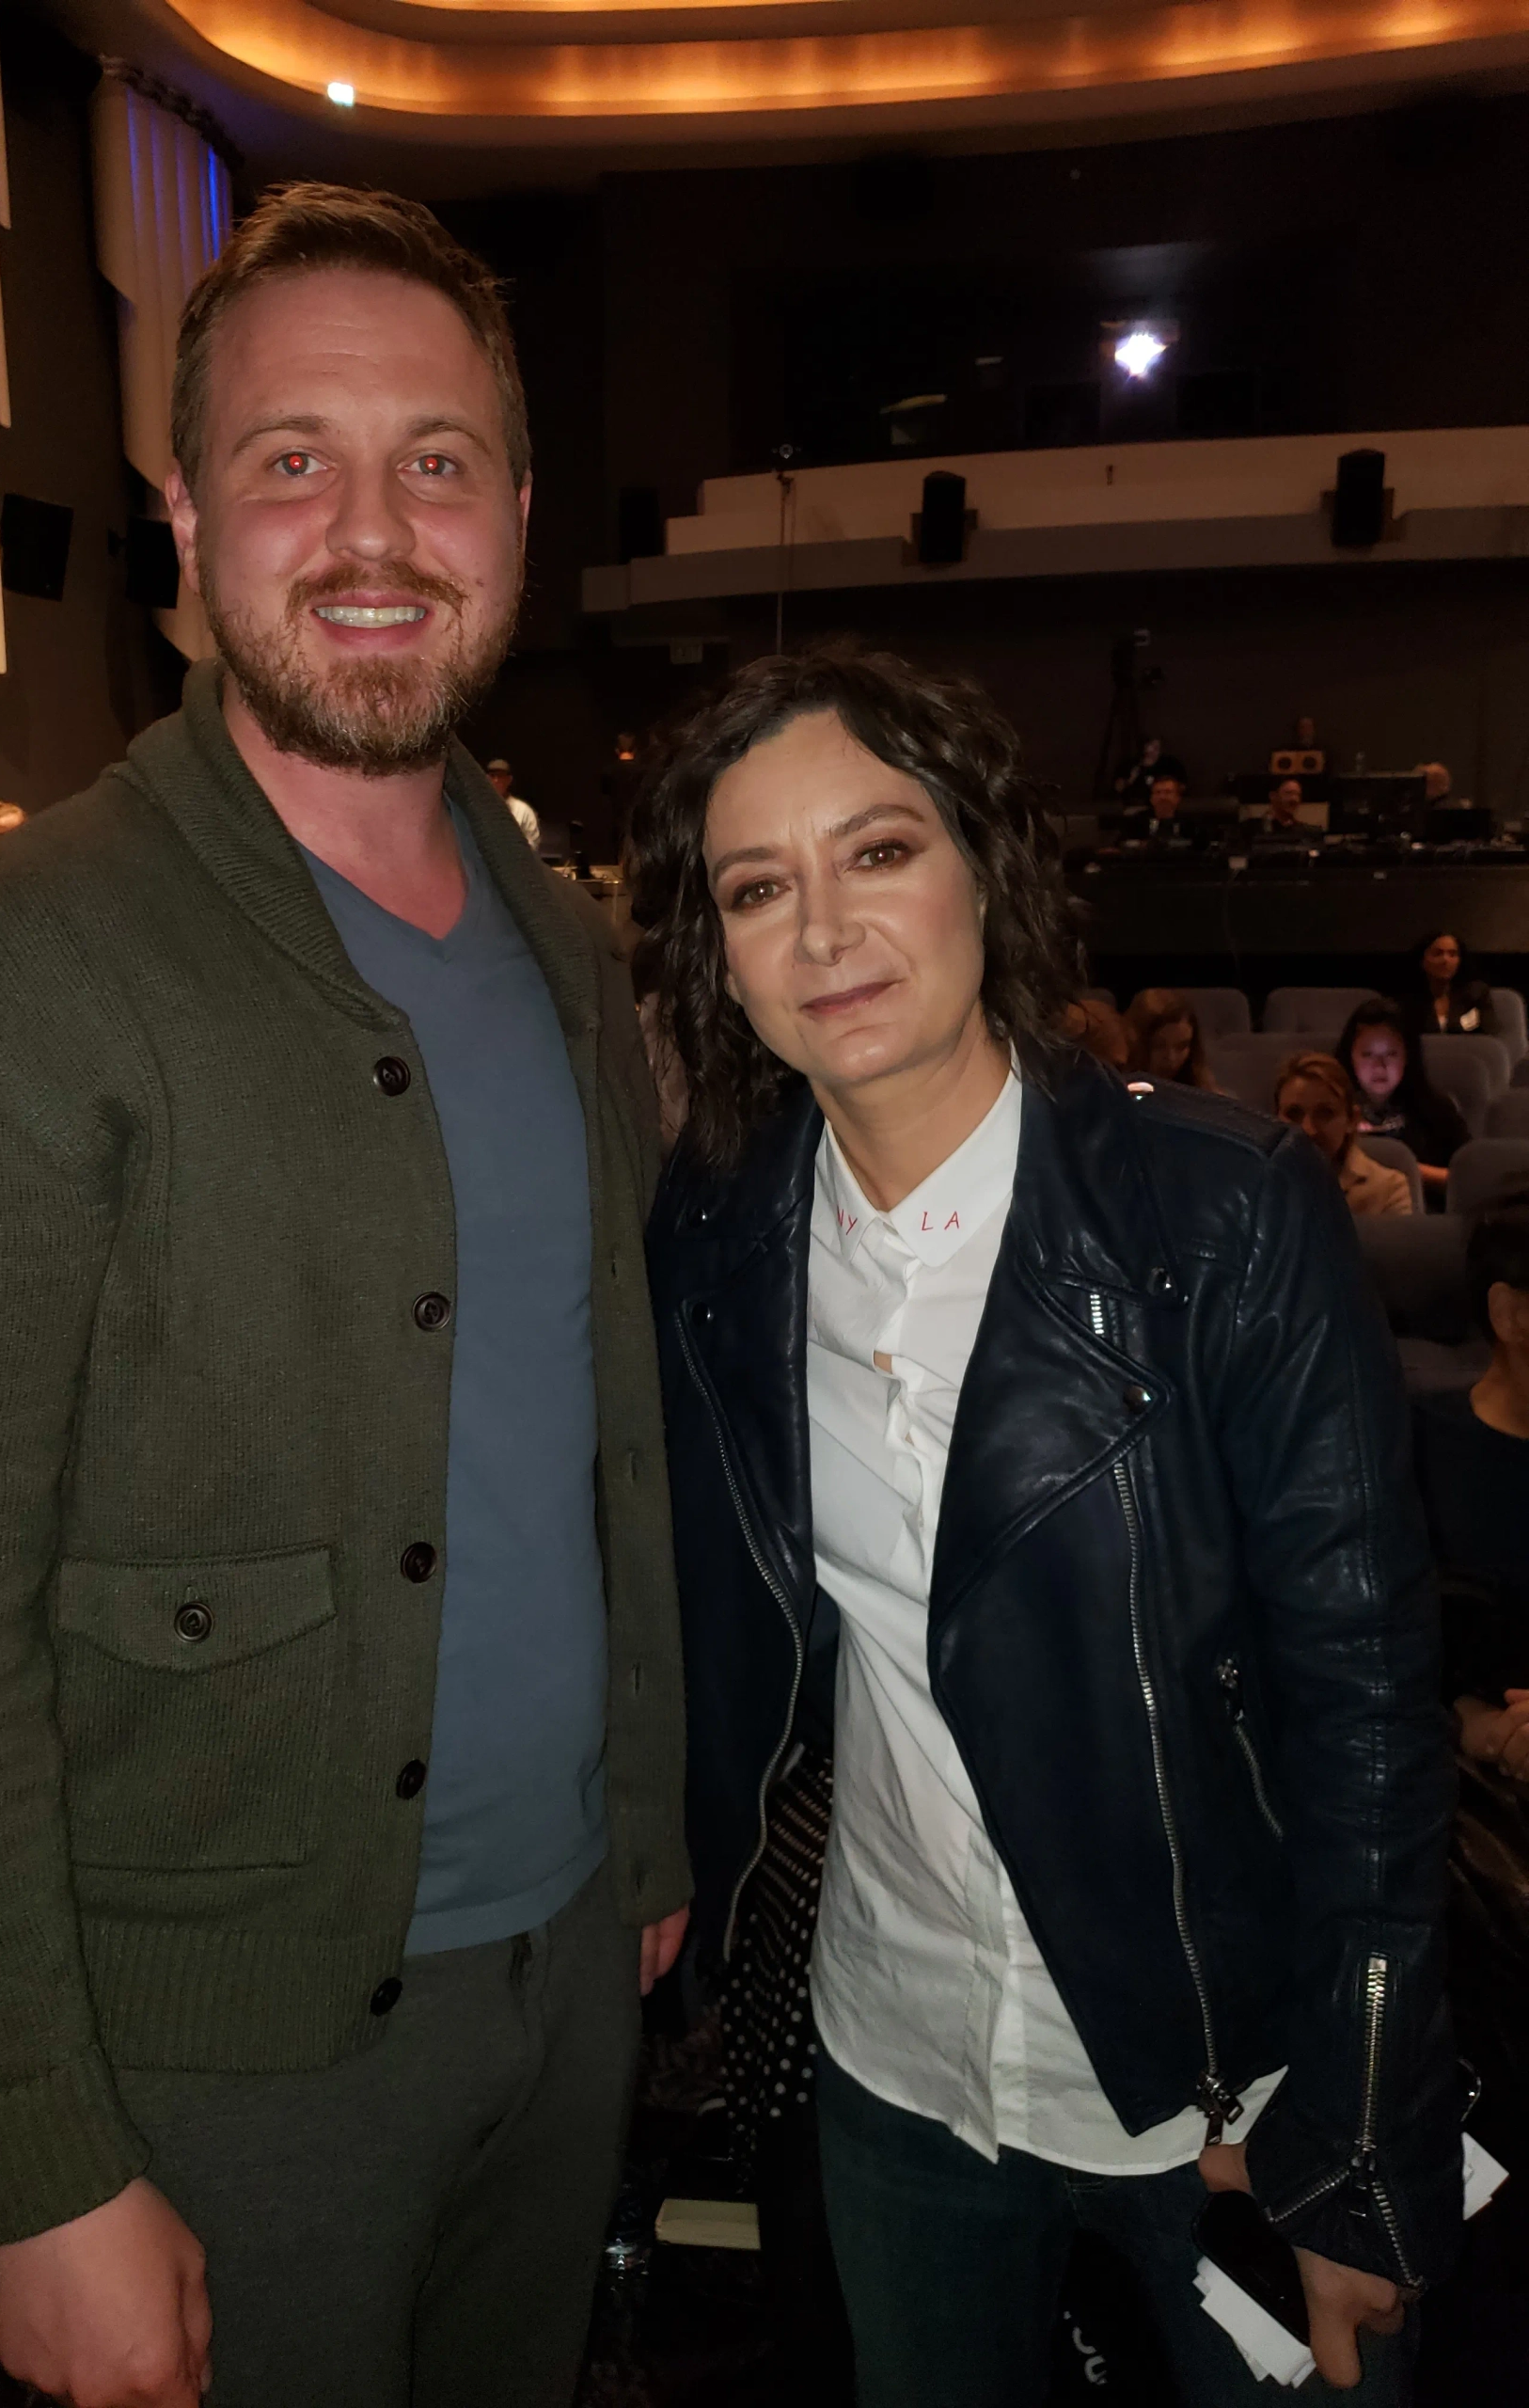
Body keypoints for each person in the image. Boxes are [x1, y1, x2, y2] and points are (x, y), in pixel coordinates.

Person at [0, 183, 690, 2408]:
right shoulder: (7, 980)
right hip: (221, 2049)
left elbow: (602, 1438)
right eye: (296, 458)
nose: (372, 526)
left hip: (571, 1966)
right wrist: (38, 2160)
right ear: (189, 516)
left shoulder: (567, 946)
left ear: (511, 513)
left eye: (437, 460)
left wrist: (649, 1837)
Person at [635, 640, 1458, 2408]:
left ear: (984, 868)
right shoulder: (713, 1235)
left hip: (1219, 2087)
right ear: (717, 952)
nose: (823, 931)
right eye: (757, 886)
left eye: (878, 851)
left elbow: (1370, 1712)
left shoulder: (1220, 1212)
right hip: (899, 2057)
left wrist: (1359, 2134)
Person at [1412, 1195, 1529, 1774]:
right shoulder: (1412, 1450)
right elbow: (1373, 1650)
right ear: (1512, 1316)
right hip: (1471, 1790)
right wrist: (1476, 1727)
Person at [1335, 999, 1470, 1202]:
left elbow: (1471, 1178)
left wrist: (1408, 1170)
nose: (1380, 1066)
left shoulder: (1437, 1111)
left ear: (1407, 1056)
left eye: (1391, 1054)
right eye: (1367, 1055)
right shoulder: (1331, 1111)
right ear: (1350, 1056)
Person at [1274, 1052, 1412, 1218]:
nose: (1308, 1130)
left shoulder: (1388, 1189)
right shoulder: (1255, 1184)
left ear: (1352, 1120)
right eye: (1294, 1114)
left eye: (1325, 1113)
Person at [1399, 930, 1496, 1038]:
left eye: (1452, 954)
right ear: (1422, 961)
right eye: (1438, 954)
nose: (1445, 960)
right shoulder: (1407, 998)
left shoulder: (1476, 993)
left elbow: (1489, 1039)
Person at [1125, 989, 1217, 1090]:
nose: (1171, 1059)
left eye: (1182, 1046)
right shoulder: (1116, 1090)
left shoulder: (1202, 1091)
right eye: (1159, 1046)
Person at [483, 756, 541, 850]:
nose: (496, 780)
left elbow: (532, 845)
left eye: (500, 776)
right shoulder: (479, 808)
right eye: (492, 776)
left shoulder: (523, 811)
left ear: (509, 780)